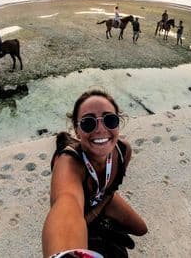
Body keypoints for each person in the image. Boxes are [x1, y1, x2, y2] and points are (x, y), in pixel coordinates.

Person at [42, 89, 147, 258]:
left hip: (101, 197)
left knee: (141, 229)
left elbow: (111, 189)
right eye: (88, 123)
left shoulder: (123, 151)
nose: (100, 129)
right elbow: (67, 202)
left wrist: (95, 213)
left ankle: (100, 227)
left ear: (118, 124)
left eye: (110, 120)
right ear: (77, 130)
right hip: (81, 209)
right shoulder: (68, 164)